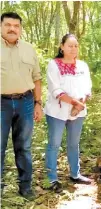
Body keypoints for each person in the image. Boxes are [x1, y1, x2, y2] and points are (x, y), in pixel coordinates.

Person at [1, 12, 43, 199]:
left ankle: (25, 187)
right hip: (1, 104)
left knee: (24, 147)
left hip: (26, 101)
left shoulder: (28, 49)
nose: (12, 28)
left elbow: (37, 78)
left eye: (16, 25)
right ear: (1, 27)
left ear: (20, 29)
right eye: (8, 25)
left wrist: (38, 103)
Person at [44, 34, 92, 193]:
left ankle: (75, 174)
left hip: (78, 112)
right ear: (62, 46)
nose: (73, 49)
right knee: (54, 144)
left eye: (76, 46)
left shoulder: (83, 66)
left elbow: (87, 88)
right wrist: (74, 103)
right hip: (57, 112)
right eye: (70, 45)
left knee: (73, 143)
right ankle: (51, 178)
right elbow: (55, 89)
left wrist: (79, 106)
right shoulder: (53, 64)